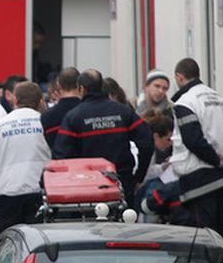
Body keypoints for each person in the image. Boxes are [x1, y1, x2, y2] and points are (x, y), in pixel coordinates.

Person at [168, 58, 223, 246]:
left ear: (179, 76)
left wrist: (219, 162)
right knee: (221, 235)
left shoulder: (186, 102)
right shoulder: (220, 100)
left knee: (205, 239)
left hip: (198, 180)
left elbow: (193, 141)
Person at [53, 70, 152, 202]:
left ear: (81, 89)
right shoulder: (123, 112)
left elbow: (61, 156)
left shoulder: (73, 117)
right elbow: (147, 142)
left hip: (88, 186)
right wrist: (139, 176)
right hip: (122, 182)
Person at [0, 82, 51, 233]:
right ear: (40, 101)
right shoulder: (46, 122)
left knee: (10, 240)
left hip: (8, 194)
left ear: (15, 100)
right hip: (40, 192)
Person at [41, 67, 82, 148]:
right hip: (86, 160)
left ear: (58, 84)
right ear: (80, 85)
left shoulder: (47, 116)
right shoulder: (88, 111)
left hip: (59, 159)